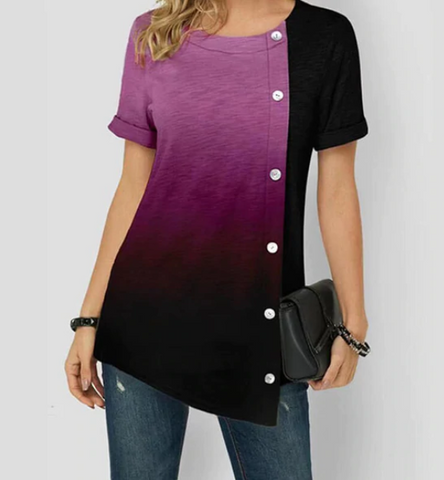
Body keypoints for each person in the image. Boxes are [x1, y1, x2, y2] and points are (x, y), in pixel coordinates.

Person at [64, 0, 370, 478]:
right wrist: (89, 318)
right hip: (143, 322)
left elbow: (337, 190)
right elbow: (133, 187)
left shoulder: (324, 36)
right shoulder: (155, 33)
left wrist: (352, 324)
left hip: (261, 333)